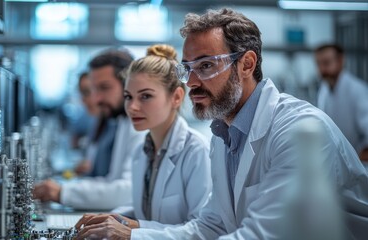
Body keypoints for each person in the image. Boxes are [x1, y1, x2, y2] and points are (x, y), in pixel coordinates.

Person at [77, 8, 368, 239]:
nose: (191, 82)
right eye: (187, 68)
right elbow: (211, 227)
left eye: (206, 65)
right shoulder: (224, 133)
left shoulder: (296, 130)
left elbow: (261, 235)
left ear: (247, 64)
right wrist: (133, 235)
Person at [74, 44, 212, 238]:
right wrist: (114, 218)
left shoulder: (197, 151)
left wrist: (134, 232)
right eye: (128, 97)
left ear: (176, 97)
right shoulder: (142, 150)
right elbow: (148, 211)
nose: (132, 107)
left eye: (145, 96)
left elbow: (203, 230)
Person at [33, 49, 146, 210]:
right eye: (94, 90)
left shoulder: (139, 127)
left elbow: (128, 191)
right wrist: (66, 189)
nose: (95, 98)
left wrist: (63, 192)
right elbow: (111, 180)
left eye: (105, 88)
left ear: (129, 84)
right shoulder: (121, 121)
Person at [315, 44, 368, 161]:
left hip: (360, 164)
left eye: (327, 63)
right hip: (337, 162)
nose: (322, 70)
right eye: (319, 64)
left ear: (341, 61)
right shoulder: (323, 91)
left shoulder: (357, 90)